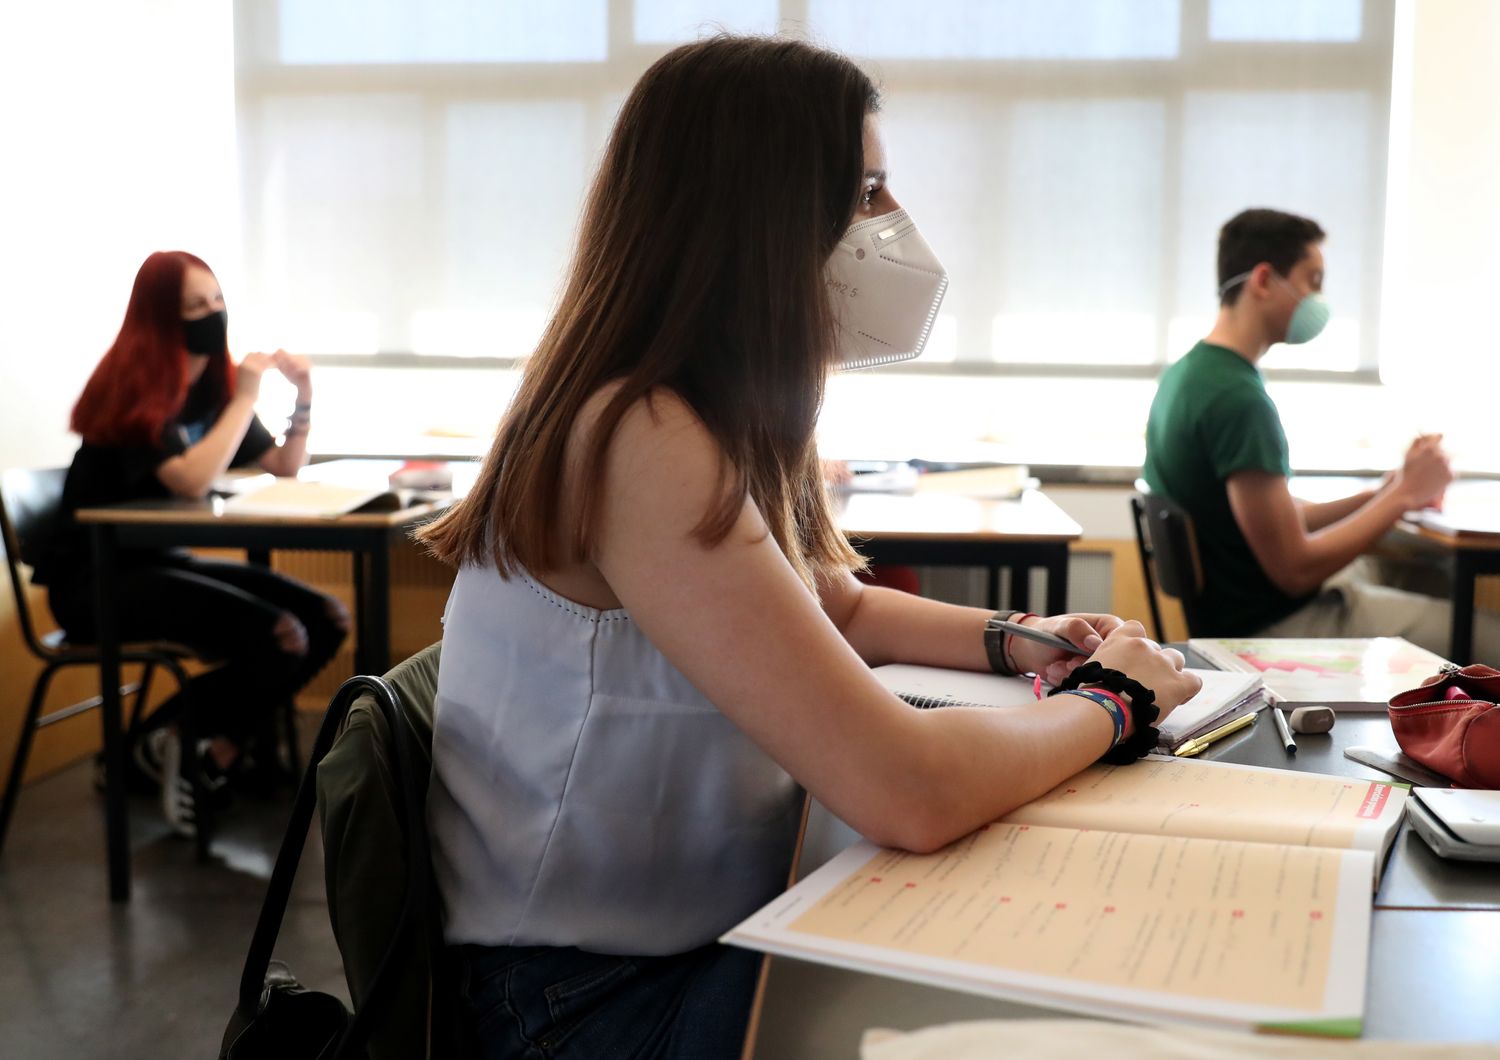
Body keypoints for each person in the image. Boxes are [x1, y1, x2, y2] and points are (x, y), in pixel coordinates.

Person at [419, 36, 1199, 1059]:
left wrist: (1021, 637)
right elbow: (906, 790)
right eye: (868, 188)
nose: (893, 221)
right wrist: (1114, 700)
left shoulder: (702, 410)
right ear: (762, 215)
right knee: (1058, 987)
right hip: (582, 1005)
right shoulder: (636, 435)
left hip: (670, 950)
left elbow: (837, 606)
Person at [34, 250, 350, 835]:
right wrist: (247, 398)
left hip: (158, 564)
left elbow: (282, 465)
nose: (214, 314)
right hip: (92, 582)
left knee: (325, 617)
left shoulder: (212, 387)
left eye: (218, 300)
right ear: (160, 317)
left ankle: (192, 749)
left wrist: (302, 395)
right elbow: (191, 478)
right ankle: (174, 747)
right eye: (195, 306)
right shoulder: (130, 388)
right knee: (277, 634)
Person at [1143, 208, 1477, 654]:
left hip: (1241, 612)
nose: (1319, 299)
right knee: (1482, 630)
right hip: (1275, 628)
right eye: (1312, 280)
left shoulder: (1189, 375)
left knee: (1424, 578)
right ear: (1263, 280)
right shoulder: (1239, 399)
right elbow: (1294, 568)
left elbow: (1275, 518)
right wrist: (1400, 497)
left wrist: (1389, 490)